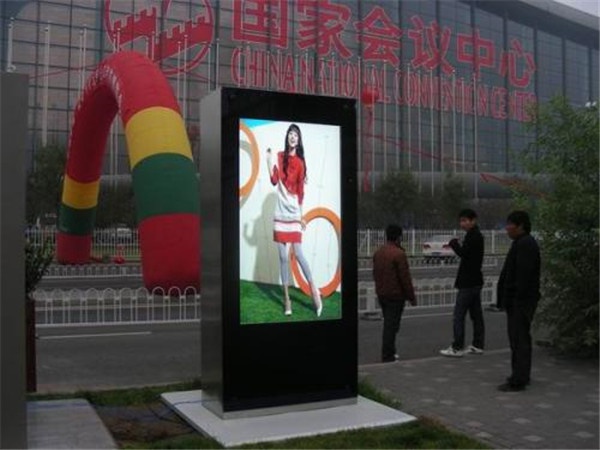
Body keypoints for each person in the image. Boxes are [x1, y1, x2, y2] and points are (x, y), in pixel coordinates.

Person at [267, 124, 322, 317]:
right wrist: (268, 162)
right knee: (283, 257)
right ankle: (287, 300)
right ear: (287, 137)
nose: (293, 137)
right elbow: (274, 181)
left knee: (298, 254)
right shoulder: (279, 156)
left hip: (293, 212)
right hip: (280, 213)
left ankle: (314, 291)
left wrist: (301, 216)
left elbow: (300, 191)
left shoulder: (300, 163)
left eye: (296, 135)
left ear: (299, 140)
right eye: (290, 134)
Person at [497, 211, 541, 392]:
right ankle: (520, 375)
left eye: (510, 224)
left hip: (521, 301)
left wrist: (514, 297)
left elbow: (523, 276)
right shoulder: (520, 243)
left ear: (520, 225)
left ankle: (519, 379)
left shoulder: (525, 244)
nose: (507, 228)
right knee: (518, 339)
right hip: (518, 300)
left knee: (519, 339)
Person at [440, 209, 485, 357]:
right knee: (476, 315)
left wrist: (454, 244)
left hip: (468, 282)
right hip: (475, 281)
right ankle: (478, 344)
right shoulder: (475, 235)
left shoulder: (473, 236)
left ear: (473, 220)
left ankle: (457, 347)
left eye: (465, 220)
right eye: (461, 221)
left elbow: (464, 254)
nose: (462, 224)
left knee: (459, 315)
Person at [372, 224, 417, 362]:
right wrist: (411, 297)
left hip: (382, 294)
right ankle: (388, 355)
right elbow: (405, 278)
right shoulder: (399, 254)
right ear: (399, 237)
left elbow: (375, 273)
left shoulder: (378, 252)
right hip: (395, 295)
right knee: (391, 327)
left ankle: (391, 352)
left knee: (389, 324)